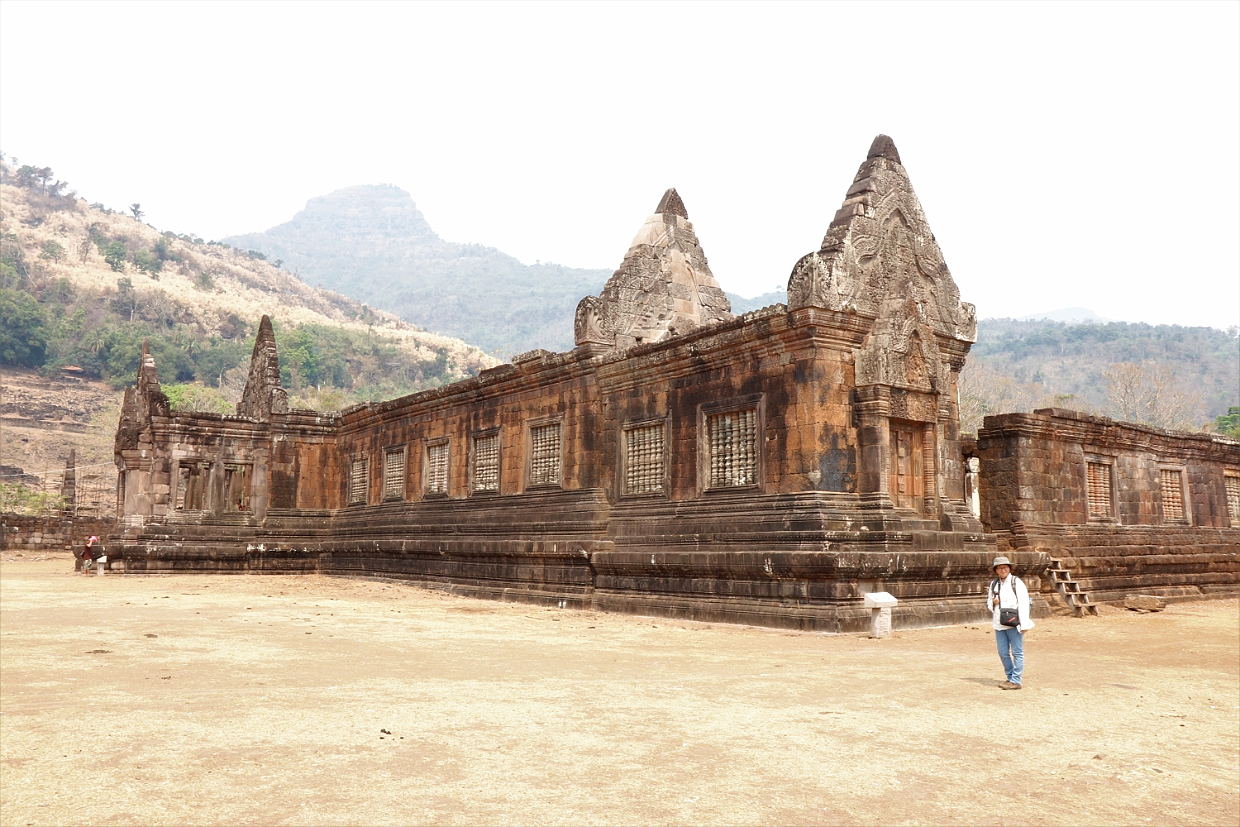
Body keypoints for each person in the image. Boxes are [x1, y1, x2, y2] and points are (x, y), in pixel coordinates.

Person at [987, 555, 1033, 690]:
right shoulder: (994, 584)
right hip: (999, 622)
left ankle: (1016, 680)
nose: (1003, 570)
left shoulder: (1016, 582)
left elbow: (1024, 603)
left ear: (1009, 568)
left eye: (1005, 567)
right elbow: (989, 602)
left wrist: (1024, 624)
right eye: (1000, 568)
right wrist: (993, 603)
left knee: (1017, 652)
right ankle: (1010, 676)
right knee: (1003, 652)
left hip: (1014, 623)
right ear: (996, 570)